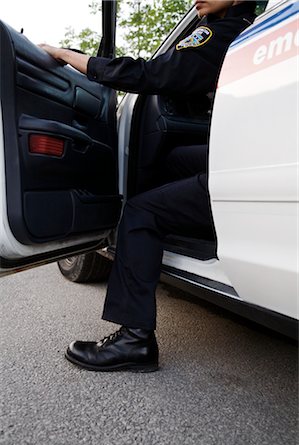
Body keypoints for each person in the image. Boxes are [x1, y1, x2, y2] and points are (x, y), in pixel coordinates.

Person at [40, 0, 256, 372]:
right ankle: (172, 238)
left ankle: (135, 339)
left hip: (241, 174)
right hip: (249, 157)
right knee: (172, 160)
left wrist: (68, 56)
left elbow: (156, 74)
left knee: (140, 211)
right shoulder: (252, 32)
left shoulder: (220, 33)